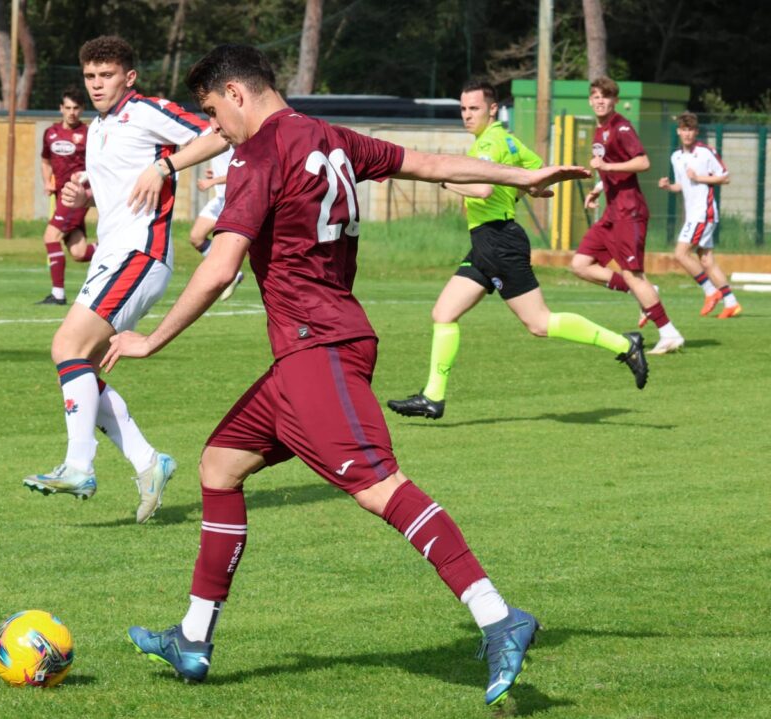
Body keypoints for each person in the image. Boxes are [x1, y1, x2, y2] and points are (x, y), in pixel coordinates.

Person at [102, 44, 588, 708]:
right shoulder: (330, 137)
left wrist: (150, 338)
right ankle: (192, 636)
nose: (218, 131)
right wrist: (520, 179)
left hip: (317, 349)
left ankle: (499, 616)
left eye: (216, 113)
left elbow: (219, 271)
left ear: (238, 94)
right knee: (218, 464)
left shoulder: (259, 154)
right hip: (313, 350)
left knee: (379, 488)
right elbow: (434, 165)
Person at [22, 36, 228, 524]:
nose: (97, 84)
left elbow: (218, 132)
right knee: (81, 370)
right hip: (111, 255)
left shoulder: (148, 110)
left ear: (128, 77)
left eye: (106, 75)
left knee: (66, 345)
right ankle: (147, 461)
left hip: (142, 252)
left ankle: (79, 465)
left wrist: (166, 164)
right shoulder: (99, 128)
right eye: (91, 76)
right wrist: (83, 193)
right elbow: (120, 188)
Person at [387, 81, 647, 421]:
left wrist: (442, 178)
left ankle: (625, 345)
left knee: (539, 323)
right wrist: (523, 191)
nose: (467, 115)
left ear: (492, 109)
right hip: (488, 241)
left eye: (474, 108)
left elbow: (481, 189)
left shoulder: (489, 144)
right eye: (463, 109)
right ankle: (433, 398)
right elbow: (535, 174)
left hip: (498, 241)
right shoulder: (506, 140)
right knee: (444, 313)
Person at [569, 77, 685, 355]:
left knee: (634, 275)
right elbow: (611, 169)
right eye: (595, 95)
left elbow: (643, 162)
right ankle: (646, 290)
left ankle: (669, 333)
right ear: (589, 100)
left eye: (605, 96)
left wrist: (606, 168)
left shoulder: (621, 126)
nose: (600, 100)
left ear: (615, 101)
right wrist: (598, 187)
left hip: (629, 212)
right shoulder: (600, 131)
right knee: (580, 264)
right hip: (612, 213)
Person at [658, 112, 740, 319]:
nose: (687, 134)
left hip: (704, 213)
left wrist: (699, 177)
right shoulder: (676, 156)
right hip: (694, 214)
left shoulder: (705, 152)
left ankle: (710, 291)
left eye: (691, 130)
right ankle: (731, 303)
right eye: (684, 130)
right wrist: (668, 187)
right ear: (678, 131)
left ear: (696, 132)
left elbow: (725, 177)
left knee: (681, 253)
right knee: (707, 261)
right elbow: (681, 186)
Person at [36, 86, 97, 305]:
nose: (72, 112)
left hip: (75, 196)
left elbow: (100, 163)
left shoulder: (90, 134)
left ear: (82, 110)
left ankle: (58, 294)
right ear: (61, 108)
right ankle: (112, 249)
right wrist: (47, 181)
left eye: (76, 108)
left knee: (50, 237)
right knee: (79, 253)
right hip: (60, 194)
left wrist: (86, 175)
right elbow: (45, 160)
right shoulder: (51, 133)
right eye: (68, 108)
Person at [189, 146, 244, 300]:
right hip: (221, 198)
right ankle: (233, 274)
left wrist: (213, 181)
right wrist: (216, 175)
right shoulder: (218, 133)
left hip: (236, 197)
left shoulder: (236, 135)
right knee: (196, 237)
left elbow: (243, 170)